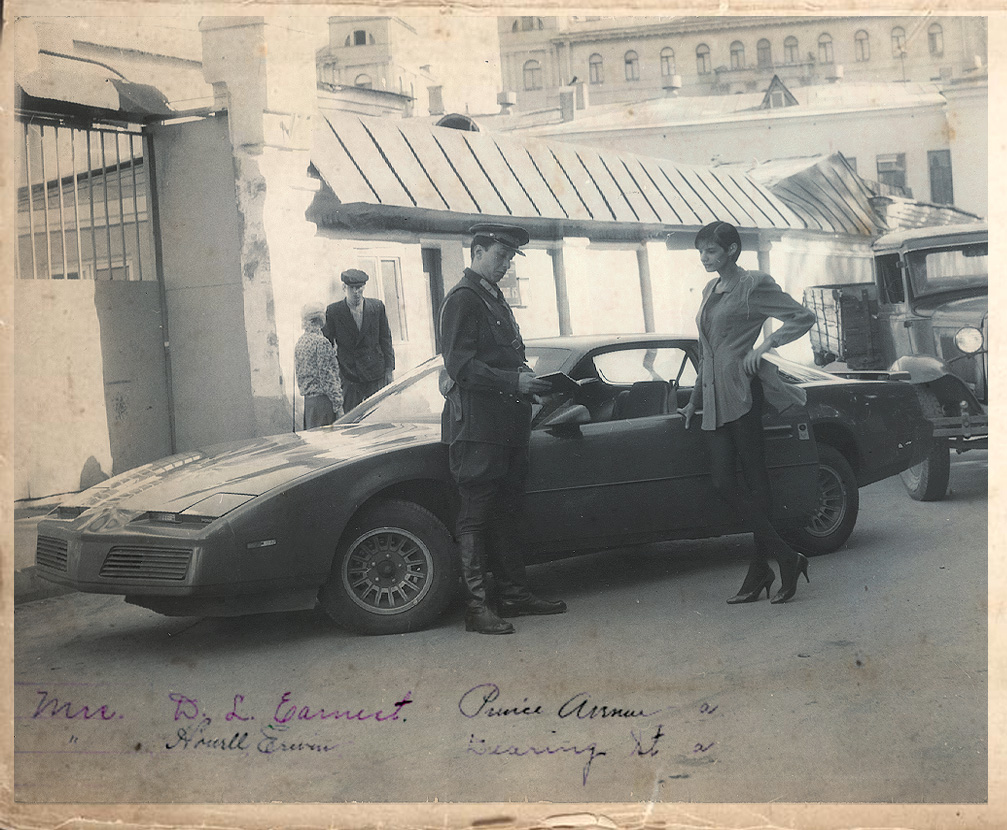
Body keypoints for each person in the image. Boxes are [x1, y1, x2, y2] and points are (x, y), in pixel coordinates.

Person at [678, 221, 817, 604]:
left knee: (756, 481)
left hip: (742, 392)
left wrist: (765, 345)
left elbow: (803, 317)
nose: (704, 258)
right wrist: (694, 400)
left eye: (710, 251)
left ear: (732, 251)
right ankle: (783, 558)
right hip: (714, 396)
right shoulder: (710, 289)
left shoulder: (753, 284)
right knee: (723, 482)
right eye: (701, 251)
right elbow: (707, 351)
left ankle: (761, 570)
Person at [439, 223, 568, 634]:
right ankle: (477, 607)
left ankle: (514, 595)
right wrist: (515, 383)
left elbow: (507, 356)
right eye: (500, 255)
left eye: (510, 258)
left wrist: (532, 384)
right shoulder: (463, 299)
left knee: (508, 512)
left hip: (507, 424)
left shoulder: (492, 298)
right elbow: (460, 366)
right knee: (474, 516)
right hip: (477, 427)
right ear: (476, 252)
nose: (506, 264)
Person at [323, 269, 396, 412]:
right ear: (344, 288)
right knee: (352, 417)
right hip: (349, 376)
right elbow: (327, 345)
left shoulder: (377, 307)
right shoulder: (334, 311)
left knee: (379, 414)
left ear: (364, 287)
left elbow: (386, 340)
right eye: (352, 288)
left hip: (375, 374)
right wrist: (335, 375)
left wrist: (389, 370)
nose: (356, 292)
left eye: (359, 288)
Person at [294, 302, 344, 429]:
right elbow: (327, 378)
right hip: (323, 404)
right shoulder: (321, 343)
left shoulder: (300, 343)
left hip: (309, 405)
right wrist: (338, 405)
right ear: (321, 319)